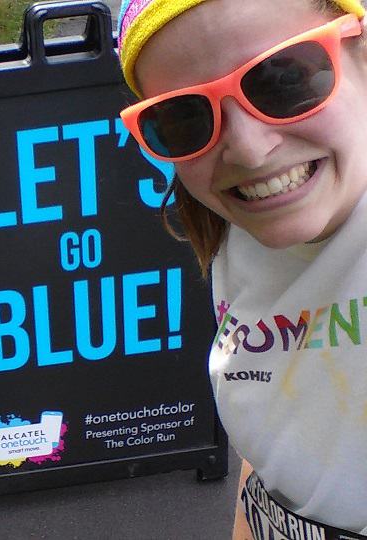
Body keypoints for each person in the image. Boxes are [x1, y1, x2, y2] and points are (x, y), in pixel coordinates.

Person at [117, 0, 367, 538]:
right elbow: (278, 434)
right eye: (186, 119)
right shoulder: (239, 231)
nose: (250, 151)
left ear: (361, 47)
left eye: (282, 80)